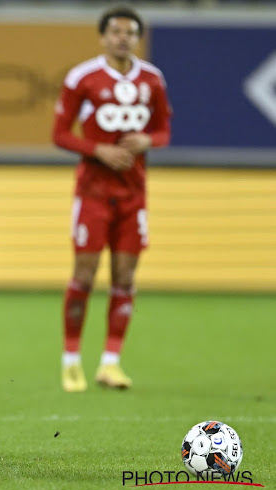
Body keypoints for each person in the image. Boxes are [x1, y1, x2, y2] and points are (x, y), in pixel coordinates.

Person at [51, 5, 172, 392]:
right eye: (116, 31)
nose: (123, 37)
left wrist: (148, 140)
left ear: (138, 37)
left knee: (124, 277)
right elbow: (60, 134)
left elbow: (165, 130)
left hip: (134, 195)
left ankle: (110, 363)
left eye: (130, 32)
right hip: (93, 194)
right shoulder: (82, 77)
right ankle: (71, 361)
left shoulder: (152, 79)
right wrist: (98, 151)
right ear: (103, 36)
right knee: (84, 276)